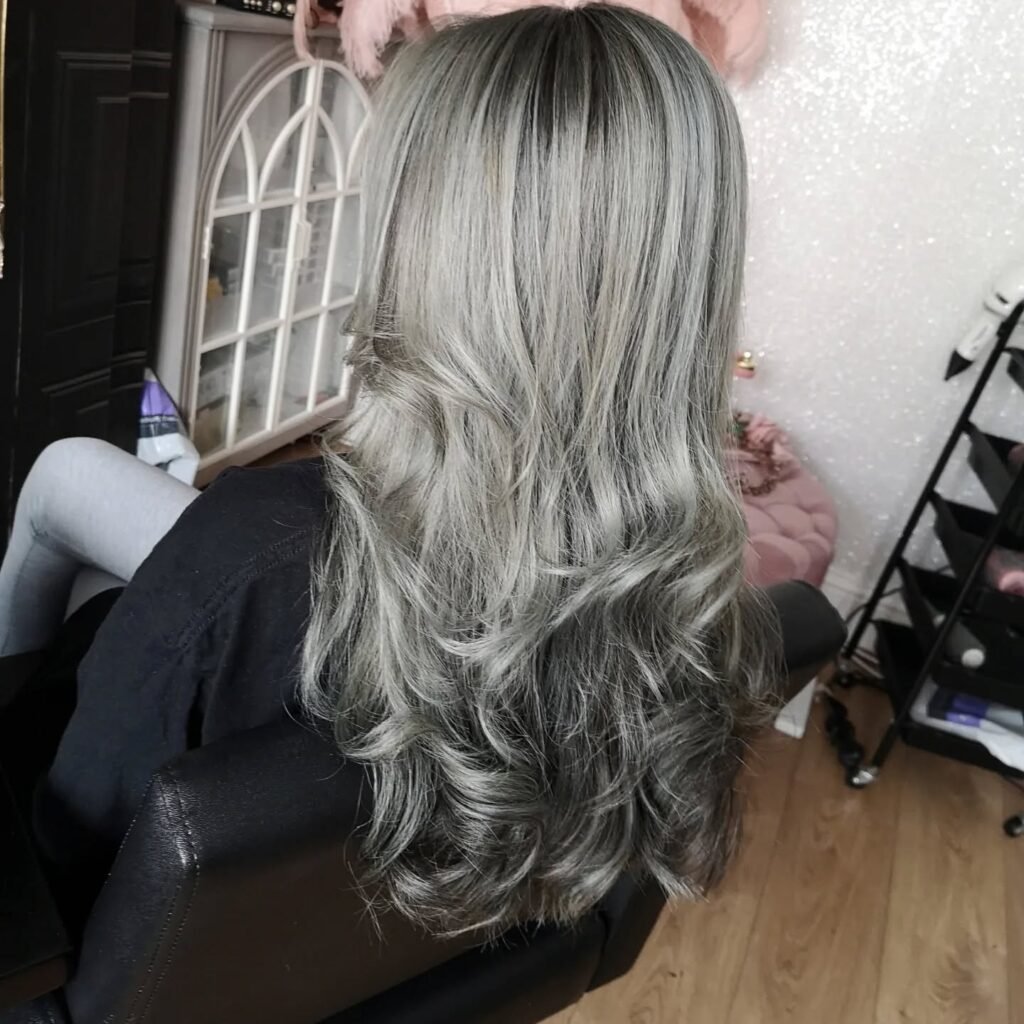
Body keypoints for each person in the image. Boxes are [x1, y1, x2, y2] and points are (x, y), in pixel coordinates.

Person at [1, 4, 781, 936]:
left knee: (86, 559)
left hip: (106, 945)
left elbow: (57, 864)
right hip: (384, 954)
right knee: (83, 508)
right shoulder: (699, 613)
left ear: (425, 249)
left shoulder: (246, 561)